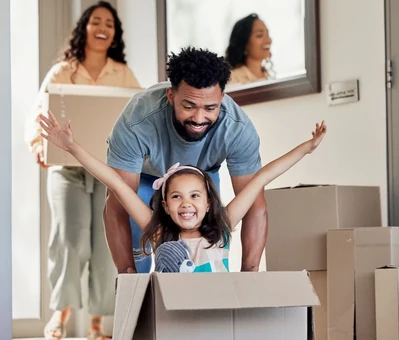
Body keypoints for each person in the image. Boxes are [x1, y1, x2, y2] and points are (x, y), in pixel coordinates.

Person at [39, 110, 327, 271]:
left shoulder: (222, 229)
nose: (186, 204)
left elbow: (261, 177)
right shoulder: (160, 234)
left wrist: (307, 148)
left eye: (195, 196)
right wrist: (72, 147)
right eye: (176, 196)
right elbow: (116, 183)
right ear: (164, 205)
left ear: (207, 203)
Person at [24, 1, 140, 339]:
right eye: (95, 22)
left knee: (106, 246)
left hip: (106, 170)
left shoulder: (123, 74)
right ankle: (61, 313)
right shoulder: (63, 70)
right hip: (66, 169)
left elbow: (140, 115)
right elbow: (37, 113)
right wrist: (37, 145)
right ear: (84, 29)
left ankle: (96, 323)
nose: (103, 27)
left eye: (109, 23)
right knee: (70, 240)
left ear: (115, 33)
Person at [103, 47, 268, 276]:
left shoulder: (237, 129)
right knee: (136, 265)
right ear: (171, 96)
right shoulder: (137, 121)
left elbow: (255, 205)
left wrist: (250, 274)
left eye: (210, 108)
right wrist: (126, 274)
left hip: (203, 175)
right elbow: (117, 204)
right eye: (189, 106)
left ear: (222, 97)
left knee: (205, 248)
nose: (199, 118)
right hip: (146, 177)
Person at [225, 13, 274, 85]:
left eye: (267, 34)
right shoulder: (232, 79)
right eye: (259, 35)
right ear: (244, 43)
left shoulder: (267, 75)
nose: (268, 40)